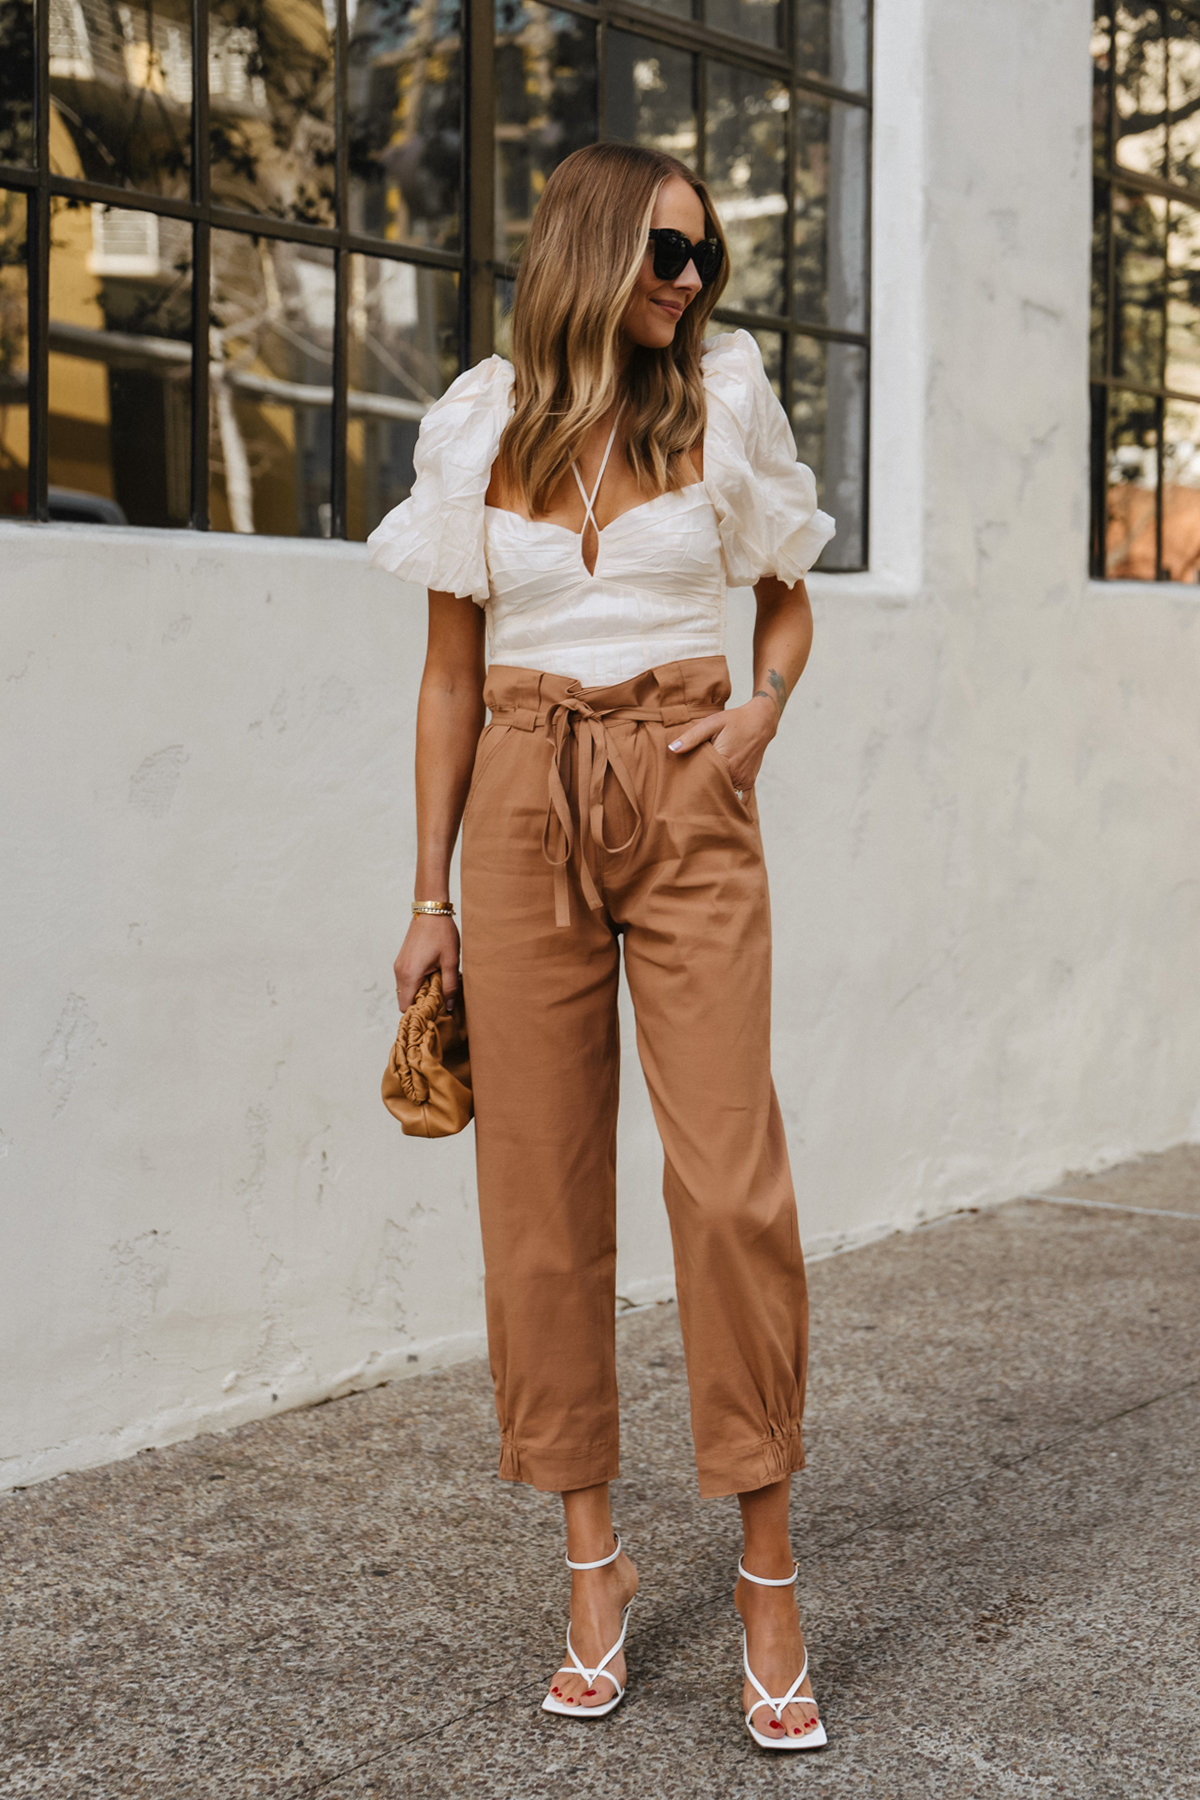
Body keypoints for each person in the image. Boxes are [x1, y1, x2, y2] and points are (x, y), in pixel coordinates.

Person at [369, 140, 835, 1750]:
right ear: (587, 243)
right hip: (517, 800)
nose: (691, 284)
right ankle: (596, 1565)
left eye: (704, 259)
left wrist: (758, 719)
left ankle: (768, 1576)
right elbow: (445, 673)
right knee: (541, 1198)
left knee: (726, 1184)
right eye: (666, 253)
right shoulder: (477, 423)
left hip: (685, 784)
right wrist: (427, 895)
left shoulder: (724, 397)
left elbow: (788, 596)